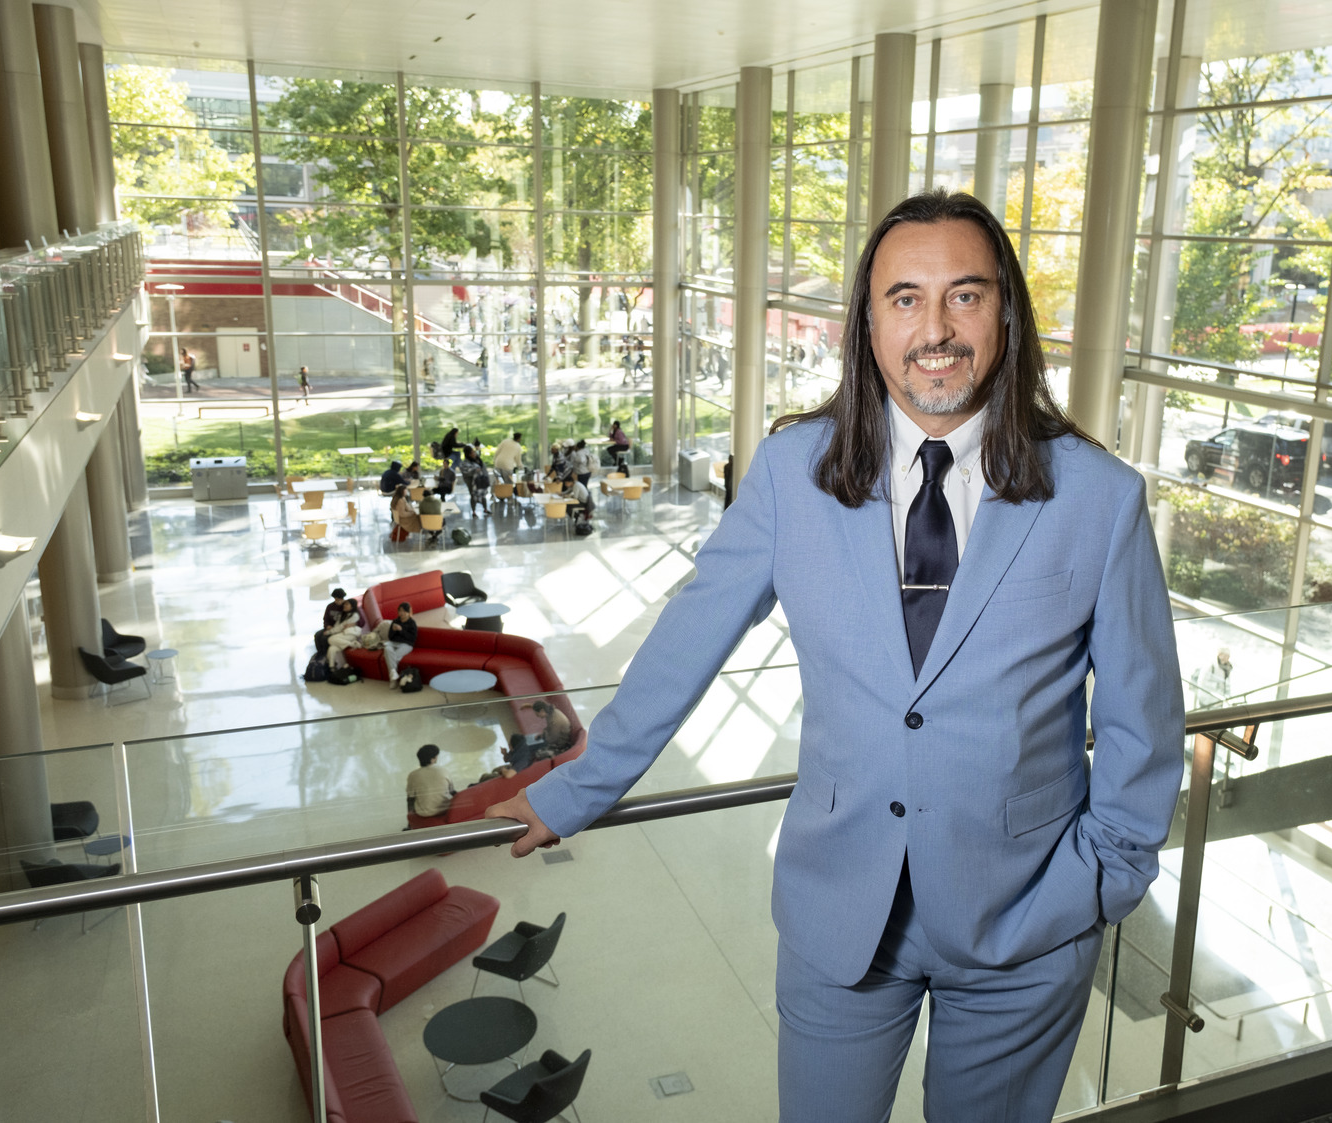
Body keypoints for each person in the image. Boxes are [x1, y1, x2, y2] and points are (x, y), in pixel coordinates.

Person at [486, 189, 1183, 1122]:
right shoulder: (790, 472)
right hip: (839, 914)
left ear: (1005, 313)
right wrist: (577, 787)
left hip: (1028, 924)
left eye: (964, 296)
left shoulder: (1099, 497)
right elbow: (686, 641)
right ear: (866, 321)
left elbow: (1145, 714)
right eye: (905, 298)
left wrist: (1105, 877)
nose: (934, 329)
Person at [406, 744, 455, 818]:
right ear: (433, 759)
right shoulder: (443, 771)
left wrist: (410, 819)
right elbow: (452, 791)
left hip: (424, 813)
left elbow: (410, 798)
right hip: (444, 810)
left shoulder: (413, 775)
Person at [384, 601, 418, 688]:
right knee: (387, 649)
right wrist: (394, 631)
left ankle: (393, 680)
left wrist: (401, 630)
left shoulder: (412, 623)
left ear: (408, 612)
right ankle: (394, 675)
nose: (401, 613)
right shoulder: (395, 621)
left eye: (403, 611)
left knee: (392, 656)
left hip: (406, 644)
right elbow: (390, 637)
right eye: (399, 611)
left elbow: (412, 638)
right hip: (393, 643)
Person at [323, 598, 363, 669]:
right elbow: (337, 626)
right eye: (344, 604)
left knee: (330, 639)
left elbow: (341, 627)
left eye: (347, 604)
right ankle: (332, 667)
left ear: (352, 606)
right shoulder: (343, 614)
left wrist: (329, 632)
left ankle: (352, 645)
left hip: (350, 634)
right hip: (343, 635)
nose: (344, 605)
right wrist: (331, 630)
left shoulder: (355, 615)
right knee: (332, 648)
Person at [314, 588, 349, 654]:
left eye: (339, 600)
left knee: (324, 638)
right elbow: (325, 619)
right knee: (317, 635)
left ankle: (326, 654)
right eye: (335, 599)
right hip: (330, 628)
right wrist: (327, 626)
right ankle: (320, 653)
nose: (337, 601)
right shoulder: (330, 606)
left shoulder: (346, 606)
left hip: (339, 630)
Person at [461, 445, 491, 516]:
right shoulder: (465, 463)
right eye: (472, 452)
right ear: (469, 454)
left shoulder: (477, 460)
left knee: (483, 495)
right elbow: (467, 472)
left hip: (482, 481)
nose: (474, 454)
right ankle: (474, 511)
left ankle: (485, 509)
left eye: (474, 452)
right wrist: (475, 470)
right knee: (473, 495)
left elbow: (483, 468)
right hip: (472, 483)